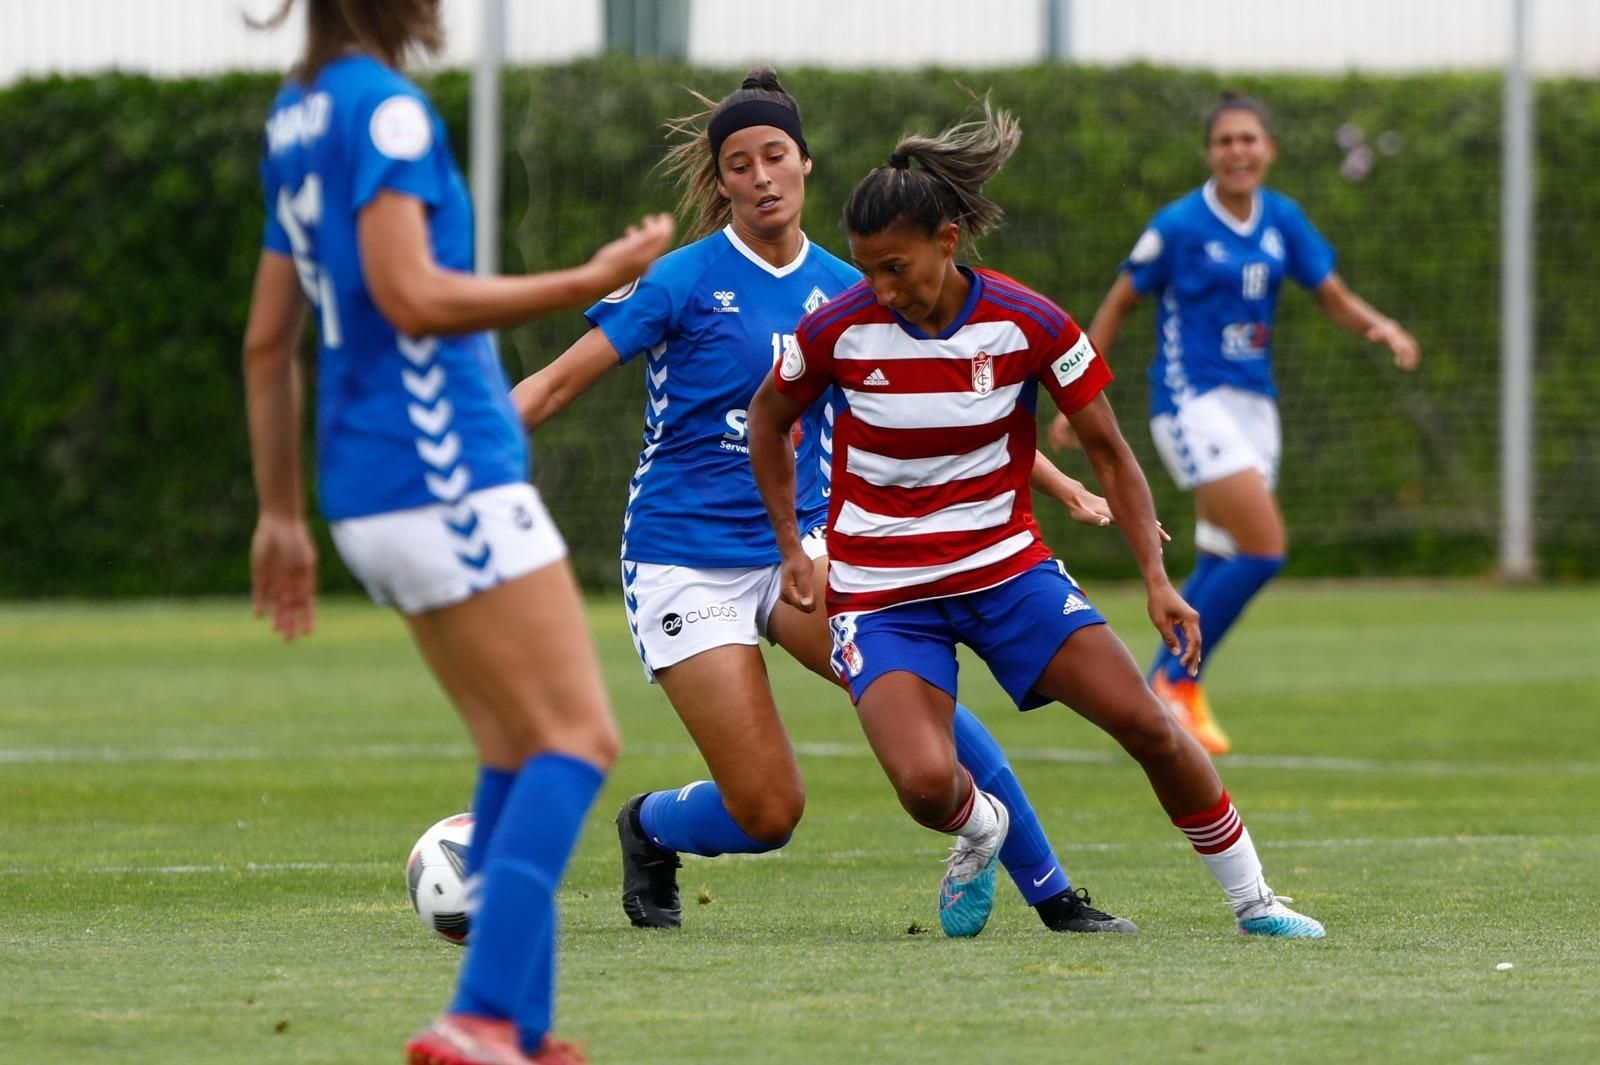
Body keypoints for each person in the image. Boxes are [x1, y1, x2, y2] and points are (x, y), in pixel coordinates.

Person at [511, 67, 1136, 939]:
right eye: (739, 165)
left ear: (805, 162)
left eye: (775, 156)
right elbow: (549, 386)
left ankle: (1054, 895)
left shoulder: (859, 286)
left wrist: (1058, 481)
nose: (761, 177)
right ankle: (649, 825)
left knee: (921, 694)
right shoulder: (680, 280)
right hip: (684, 558)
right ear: (722, 182)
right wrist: (464, 458)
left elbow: (942, 402)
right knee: (769, 810)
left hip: (804, 546)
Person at [747, 97, 1326, 939]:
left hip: (1008, 576)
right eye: (869, 271)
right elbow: (767, 421)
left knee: (1148, 723)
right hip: (883, 594)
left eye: (896, 267)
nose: (882, 289)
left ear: (948, 241)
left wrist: (1158, 580)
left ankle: (1256, 901)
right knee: (925, 786)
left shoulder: (1028, 320)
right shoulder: (837, 329)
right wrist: (790, 548)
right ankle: (981, 825)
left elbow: (1112, 454)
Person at [243, 2, 673, 1063]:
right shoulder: (386, 113)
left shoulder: (297, 116)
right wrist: (585, 282)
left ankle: (520, 1027)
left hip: (368, 490)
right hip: (442, 474)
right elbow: (412, 295)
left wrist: (282, 513)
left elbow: (266, 342)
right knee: (577, 740)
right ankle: (479, 1016)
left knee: (516, 745)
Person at [1047, 93, 1421, 755]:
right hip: (1190, 401)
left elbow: (1332, 295)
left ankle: (1163, 688)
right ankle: (1173, 681)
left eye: (1249, 139)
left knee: (1224, 554)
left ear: (1268, 149)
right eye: (1225, 141)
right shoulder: (1179, 225)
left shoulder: (1283, 219)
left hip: (1256, 406)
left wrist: (1381, 326)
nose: (1237, 151)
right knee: (1264, 547)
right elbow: (1119, 302)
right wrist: (1077, 400)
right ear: (1210, 153)